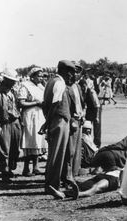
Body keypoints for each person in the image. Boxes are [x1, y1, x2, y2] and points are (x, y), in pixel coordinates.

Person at [43, 60, 79, 199]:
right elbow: (55, 103)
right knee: (57, 155)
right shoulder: (59, 82)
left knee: (58, 154)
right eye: (71, 72)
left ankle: (54, 184)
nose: (72, 76)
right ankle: (52, 185)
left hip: (58, 119)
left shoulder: (52, 81)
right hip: (59, 120)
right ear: (65, 71)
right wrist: (48, 122)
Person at [0, 70, 22, 182]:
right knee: (3, 148)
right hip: (4, 123)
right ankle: (5, 171)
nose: (14, 83)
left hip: (15, 122)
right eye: (12, 81)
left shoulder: (13, 91)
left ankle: (11, 169)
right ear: (6, 80)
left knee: (15, 147)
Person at [17, 67, 47, 176]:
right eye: (38, 75)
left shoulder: (41, 87)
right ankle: (26, 168)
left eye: (41, 75)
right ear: (32, 76)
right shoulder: (25, 86)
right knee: (29, 141)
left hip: (39, 116)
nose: (40, 78)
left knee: (37, 141)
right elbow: (21, 103)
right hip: (29, 116)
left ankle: (35, 167)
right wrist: (35, 103)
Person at [79, 79, 101, 147]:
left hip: (96, 109)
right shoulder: (83, 93)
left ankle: (97, 144)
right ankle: (89, 142)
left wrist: (97, 117)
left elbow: (97, 105)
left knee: (96, 127)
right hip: (89, 109)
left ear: (85, 85)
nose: (81, 89)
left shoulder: (91, 92)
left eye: (82, 87)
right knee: (87, 125)